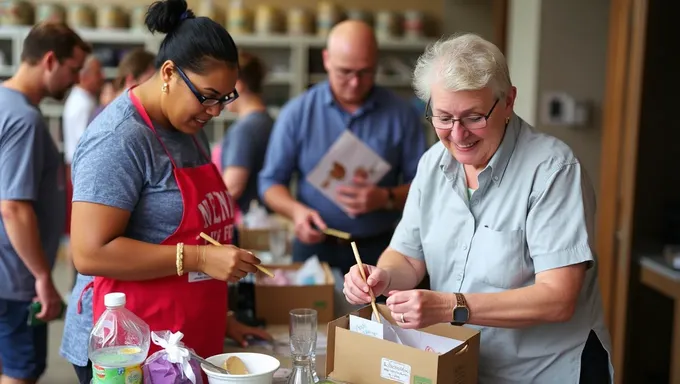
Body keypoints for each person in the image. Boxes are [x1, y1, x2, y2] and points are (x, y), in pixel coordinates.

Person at [343, 33, 613, 383]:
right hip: (464, 365)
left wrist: (449, 306)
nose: (457, 135)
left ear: (508, 102)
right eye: (442, 117)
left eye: (473, 117)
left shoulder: (552, 171)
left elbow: (557, 298)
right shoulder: (432, 164)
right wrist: (382, 278)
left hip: (545, 371)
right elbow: (408, 256)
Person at [65, 0, 270, 382]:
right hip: (126, 351)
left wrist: (222, 318)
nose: (215, 111)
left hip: (183, 336)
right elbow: (89, 252)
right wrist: (199, 259)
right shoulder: (119, 139)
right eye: (207, 95)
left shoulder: (189, 129)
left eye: (225, 99)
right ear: (169, 73)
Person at [258, 20, 426, 275]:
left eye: (365, 72)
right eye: (345, 72)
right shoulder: (297, 112)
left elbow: (425, 186)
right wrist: (296, 212)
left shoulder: (402, 115)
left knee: (376, 315)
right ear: (326, 60)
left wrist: (386, 198)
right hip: (313, 244)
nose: (355, 82)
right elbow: (270, 182)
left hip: (381, 248)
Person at [59, 47, 156, 382]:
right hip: (112, 337)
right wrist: (195, 257)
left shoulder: (162, 129)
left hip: (142, 322)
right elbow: (89, 253)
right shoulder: (116, 133)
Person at [0, 21, 89, 384]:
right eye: (74, 69)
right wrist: (42, 278)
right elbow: (14, 206)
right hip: (16, 278)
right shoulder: (25, 119)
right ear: (50, 60)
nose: (77, 79)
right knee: (21, 373)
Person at [61, 54, 104, 288]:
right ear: (84, 75)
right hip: (79, 176)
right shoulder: (83, 104)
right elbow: (84, 148)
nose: (102, 78)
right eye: (98, 73)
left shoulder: (81, 100)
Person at [219, 51, 273, 216]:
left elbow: (232, 187)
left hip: (247, 222)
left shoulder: (244, 129)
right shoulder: (268, 121)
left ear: (237, 84)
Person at [89, 47, 156, 122]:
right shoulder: (117, 116)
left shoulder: (114, 110)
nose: (155, 87)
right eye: (150, 79)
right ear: (130, 80)